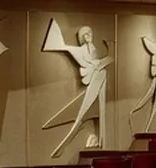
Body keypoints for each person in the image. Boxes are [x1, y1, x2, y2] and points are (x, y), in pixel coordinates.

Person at [41, 22, 111, 157]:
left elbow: (101, 61)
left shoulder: (93, 48)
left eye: (90, 33)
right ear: (82, 37)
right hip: (95, 80)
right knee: (81, 115)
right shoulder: (81, 50)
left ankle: (103, 142)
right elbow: (91, 60)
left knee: (100, 113)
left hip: (99, 78)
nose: (88, 36)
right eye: (85, 34)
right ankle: (61, 148)